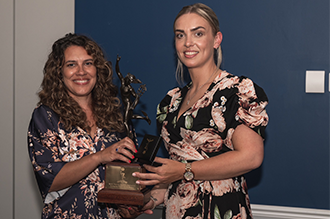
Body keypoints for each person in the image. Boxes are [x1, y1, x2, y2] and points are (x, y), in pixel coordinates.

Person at [133, 3, 269, 219]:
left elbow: (251, 157)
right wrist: (148, 199)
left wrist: (185, 170)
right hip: (177, 210)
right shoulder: (170, 101)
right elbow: (174, 171)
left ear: (216, 40)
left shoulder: (237, 91)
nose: (188, 43)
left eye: (198, 33)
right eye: (180, 35)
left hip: (221, 209)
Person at [28, 33, 142, 219]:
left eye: (88, 63)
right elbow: (51, 179)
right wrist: (99, 157)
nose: (81, 71)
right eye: (71, 64)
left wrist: (128, 206)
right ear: (59, 72)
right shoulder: (46, 116)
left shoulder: (115, 114)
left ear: (97, 69)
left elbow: (125, 175)